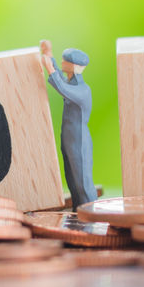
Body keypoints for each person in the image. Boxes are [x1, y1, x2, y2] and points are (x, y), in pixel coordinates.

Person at [38, 40, 96, 208]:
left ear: (75, 66)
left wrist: (49, 69)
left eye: (66, 61)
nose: (62, 62)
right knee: (71, 178)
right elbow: (61, 80)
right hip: (69, 138)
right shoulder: (71, 82)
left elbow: (62, 88)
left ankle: (91, 210)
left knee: (83, 181)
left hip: (79, 139)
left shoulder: (83, 90)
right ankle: (79, 209)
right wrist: (49, 53)